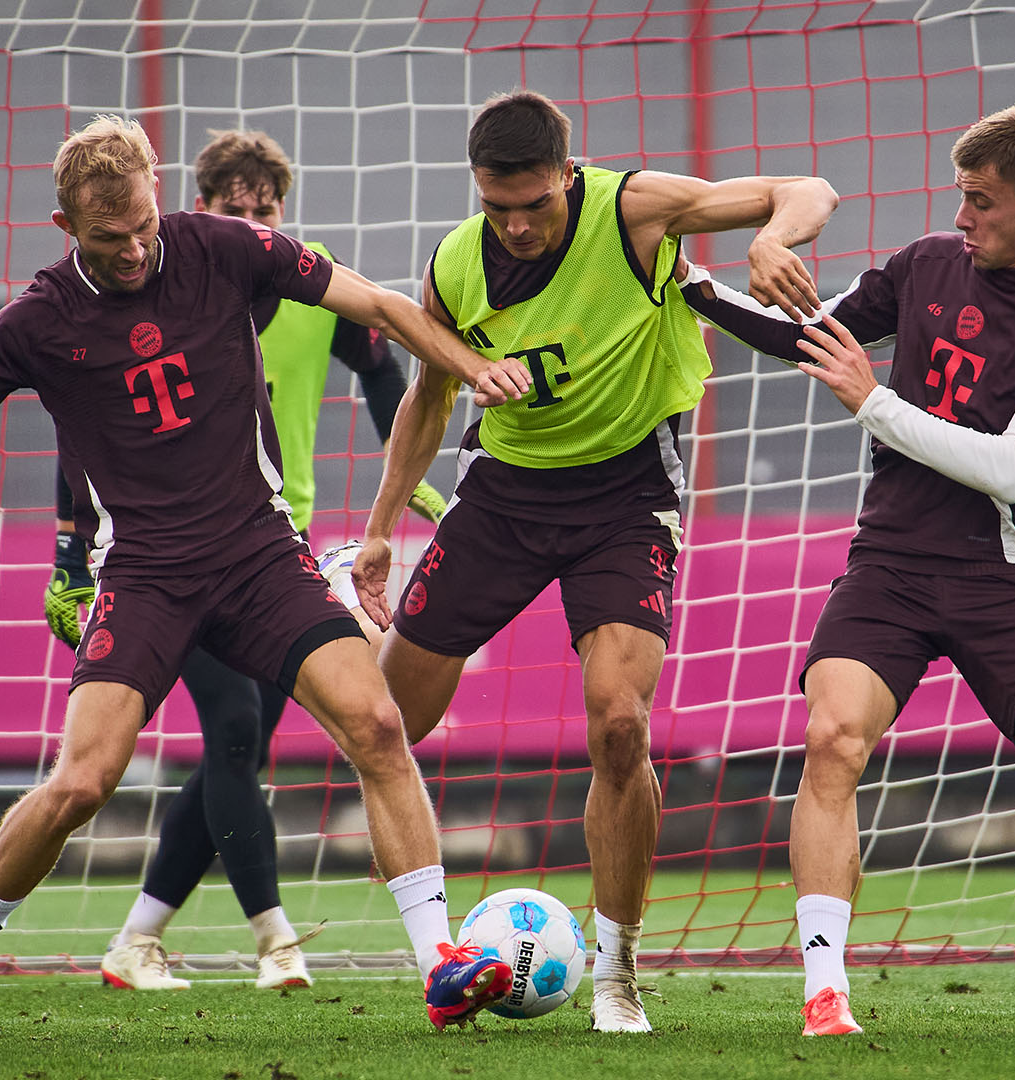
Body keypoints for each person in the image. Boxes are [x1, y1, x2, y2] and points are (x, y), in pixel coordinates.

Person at [0, 115, 537, 1039]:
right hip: (145, 571)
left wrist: (473, 369)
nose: (136, 248)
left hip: (260, 551)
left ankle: (441, 966)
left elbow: (378, 306)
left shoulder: (226, 246)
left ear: (158, 194)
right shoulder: (36, 320)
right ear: (67, 229)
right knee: (81, 784)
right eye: (110, 237)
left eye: (144, 223)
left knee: (378, 723)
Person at [670, 103, 1015, 1035]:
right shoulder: (926, 265)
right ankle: (825, 991)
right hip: (891, 564)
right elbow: (811, 337)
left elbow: (1008, 467)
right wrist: (692, 282)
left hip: (1007, 575)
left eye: (982, 203)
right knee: (833, 739)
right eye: (960, 198)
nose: (963, 218)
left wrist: (872, 401)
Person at [348, 89, 839, 1033]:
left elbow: (805, 186)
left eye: (536, 203)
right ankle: (441, 951)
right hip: (503, 497)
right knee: (381, 723)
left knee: (619, 725)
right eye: (500, 208)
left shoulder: (634, 209)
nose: (519, 225)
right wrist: (378, 527)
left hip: (625, 499)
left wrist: (777, 237)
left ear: (568, 177)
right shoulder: (454, 264)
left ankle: (616, 972)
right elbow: (428, 398)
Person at [41, 129, 443, 994]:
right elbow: (86, 429)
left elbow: (377, 363)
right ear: (199, 207)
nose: (252, 220)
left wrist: (407, 477)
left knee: (242, 749)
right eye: (236, 207)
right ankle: (276, 939)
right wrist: (71, 551)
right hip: (165, 555)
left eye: (266, 209)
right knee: (229, 734)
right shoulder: (158, 288)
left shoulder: (297, 276)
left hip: (271, 549)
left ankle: (138, 938)